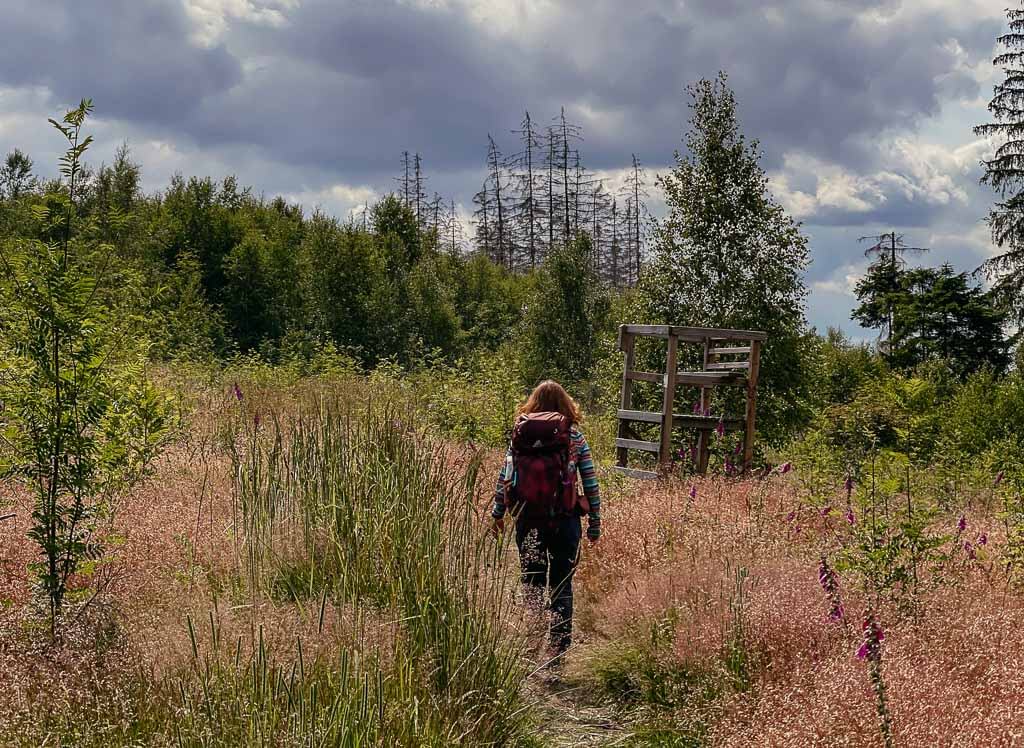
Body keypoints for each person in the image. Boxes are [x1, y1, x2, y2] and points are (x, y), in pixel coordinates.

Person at [490, 380, 601, 665]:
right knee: (561, 585)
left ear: (533, 403)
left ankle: (532, 645)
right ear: (566, 404)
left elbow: (506, 477)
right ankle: (557, 655)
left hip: (529, 520)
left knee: (532, 584)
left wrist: (498, 514)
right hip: (565, 521)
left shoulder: (521, 436)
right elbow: (590, 482)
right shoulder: (574, 438)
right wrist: (595, 522)